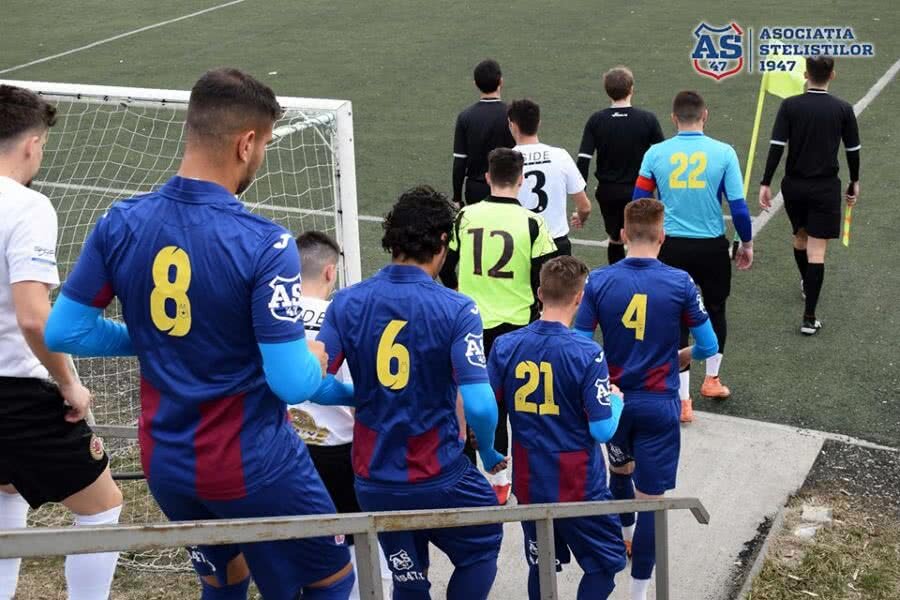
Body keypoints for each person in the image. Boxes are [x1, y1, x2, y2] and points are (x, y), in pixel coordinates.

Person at [45, 68, 355, 599]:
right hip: (254, 465)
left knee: (224, 581)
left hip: (167, 462)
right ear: (246, 143)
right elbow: (290, 382)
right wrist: (316, 357)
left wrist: (149, 337)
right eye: (265, 146)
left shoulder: (121, 221)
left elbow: (65, 330)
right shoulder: (266, 244)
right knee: (330, 581)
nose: (261, 158)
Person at [317, 186, 506, 600]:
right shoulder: (458, 308)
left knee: (408, 575)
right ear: (442, 241)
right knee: (483, 543)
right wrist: (490, 450)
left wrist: (360, 395)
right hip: (439, 475)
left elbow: (314, 384)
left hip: (374, 480)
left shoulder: (346, 302)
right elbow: (479, 404)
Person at [0, 84, 125, 600]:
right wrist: (69, 382)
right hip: (17, 394)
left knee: (6, 491)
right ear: (32, 144)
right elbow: (34, 318)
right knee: (103, 509)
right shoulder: (27, 206)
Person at [574, 199, 718, 600]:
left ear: (623, 235)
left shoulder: (599, 281)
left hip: (615, 402)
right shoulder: (680, 282)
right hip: (659, 404)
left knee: (619, 472)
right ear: (662, 236)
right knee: (653, 501)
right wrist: (678, 357)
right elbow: (709, 345)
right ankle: (638, 593)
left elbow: (581, 344)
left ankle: (625, 535)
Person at [489, 256, 627, 600]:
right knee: (606, 563)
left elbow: (487, 408)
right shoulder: (587, 353)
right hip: (578, 484)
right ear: (579, 297)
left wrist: (488, 451)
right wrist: (616, 401)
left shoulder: (506, 345)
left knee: (542, 565)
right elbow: (602, 431)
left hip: (530, 480)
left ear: (539, 293)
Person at [439, 148, 557, 504]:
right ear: (521, 180)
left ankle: (484, 478)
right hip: (517, 327)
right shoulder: (532, 222)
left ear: (488, 177)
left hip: (471, 326)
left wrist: (458, 291)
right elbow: (546, 275)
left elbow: (447, 264)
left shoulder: (465, 216)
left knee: (474, 398)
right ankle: (512, 478)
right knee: (518, 402)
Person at [632, 90, 753, 421]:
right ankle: (712, 379)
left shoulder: (656, 153)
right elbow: (739, 207)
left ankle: (683, 399)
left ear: (673, 118)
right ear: (705, 115)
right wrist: (746, 243)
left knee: (674, 318)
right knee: (715, 309)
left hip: (669, 246)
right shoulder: (724, 152)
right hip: (711, 246)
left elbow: (639, 201)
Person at [289, 231, 393, 600]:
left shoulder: (271, 318)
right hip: (340, 454)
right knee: (358, 544)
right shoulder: (342, 318)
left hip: (285, 450)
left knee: (298, 543)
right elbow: (357, 393)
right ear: (331, 271)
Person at [759, 56, 860, 335]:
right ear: (833, 75)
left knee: (800, 237)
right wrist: (854, 181)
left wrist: (765, 182)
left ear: (805, 75)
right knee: (817, 251)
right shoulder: (843, 108)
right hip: (825, 188)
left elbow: (777, 145)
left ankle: (807, 282)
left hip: (794, 187)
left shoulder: (790, 105)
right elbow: (852, 150)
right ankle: (809, 317)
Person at [577, 66, 665, 264]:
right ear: (631, 89)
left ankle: (618, 277)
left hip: (608, 193)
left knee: (615, 239)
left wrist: (581, 196)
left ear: (607, 91)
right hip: (641, 192)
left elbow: (583, 159)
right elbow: (663, 157)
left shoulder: (596, 120)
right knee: (646, 239)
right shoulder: (647, 119)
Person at [509, 98, 592, 256]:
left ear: (512, 125)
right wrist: (580, 217)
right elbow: (585, 207)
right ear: (539, 123)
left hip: (520, 246)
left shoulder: (507, 160)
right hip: (556, 246)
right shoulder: (560, 156)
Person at [452, 59, 516, 205]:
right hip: (508, 188)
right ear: (501, 81)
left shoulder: (465, 117)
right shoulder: (512, 115)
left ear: (475, 84)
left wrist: (456, 198)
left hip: (476, 190)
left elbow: (460, 162)